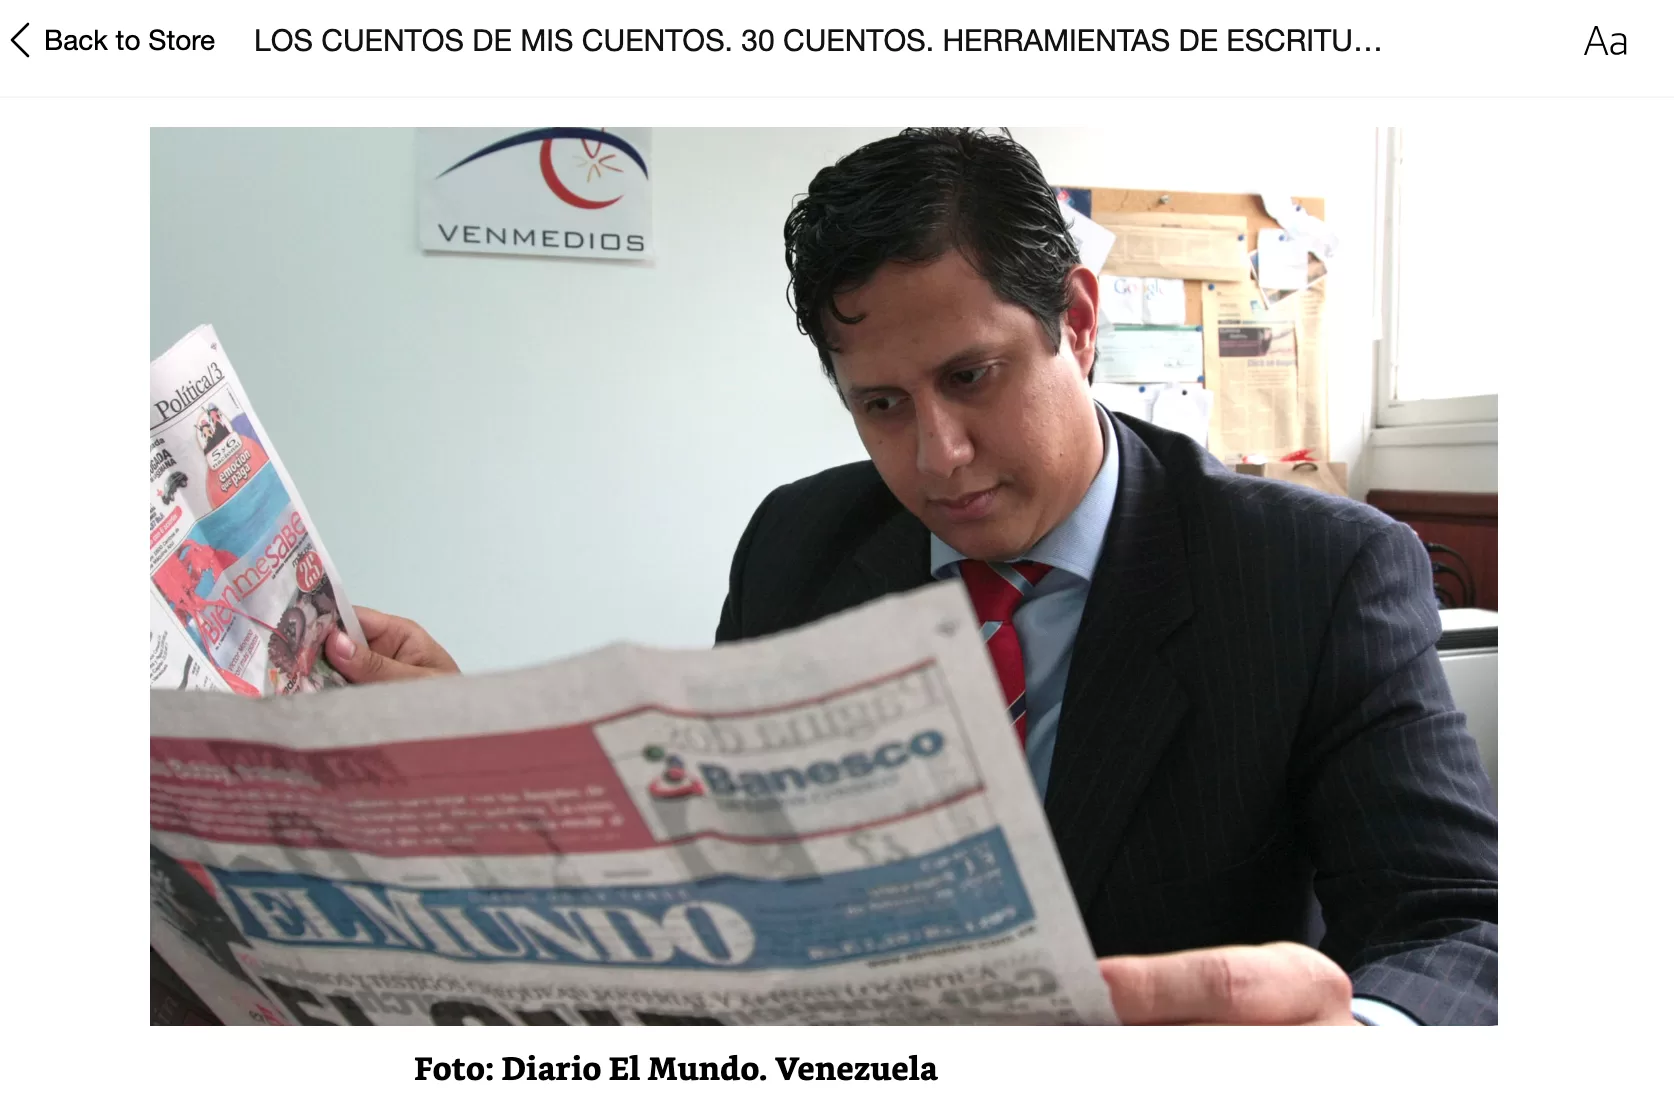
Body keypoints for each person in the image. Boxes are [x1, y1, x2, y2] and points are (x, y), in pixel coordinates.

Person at [325, 128, 1497, 1026]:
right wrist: (476, 753)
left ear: (1077, 319)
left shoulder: (1316, 572)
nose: (938, 459)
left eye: (972, 377)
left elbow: (1459, 926)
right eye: (881, 405)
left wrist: (1365, 1043)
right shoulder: (799, 542)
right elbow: (719, 855)